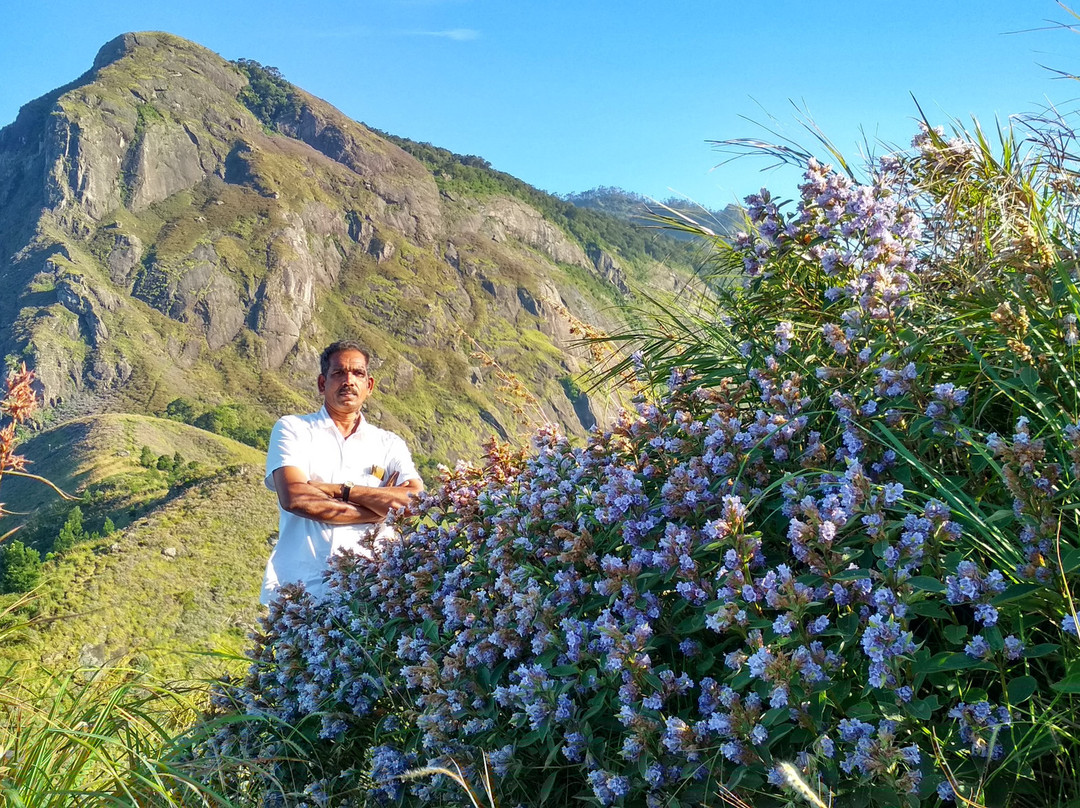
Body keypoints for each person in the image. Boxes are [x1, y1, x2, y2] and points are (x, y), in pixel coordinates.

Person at [261, 340, 424, 604]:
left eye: (358, 373)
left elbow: (415, 501)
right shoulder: (293, 429)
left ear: (368, 386)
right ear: (322, 384)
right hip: (300, 593)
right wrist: (376, 510)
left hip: (371, 591)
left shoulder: (389, 444)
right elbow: (296, 498)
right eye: (338, 373)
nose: (348, 380)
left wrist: (340, 491)